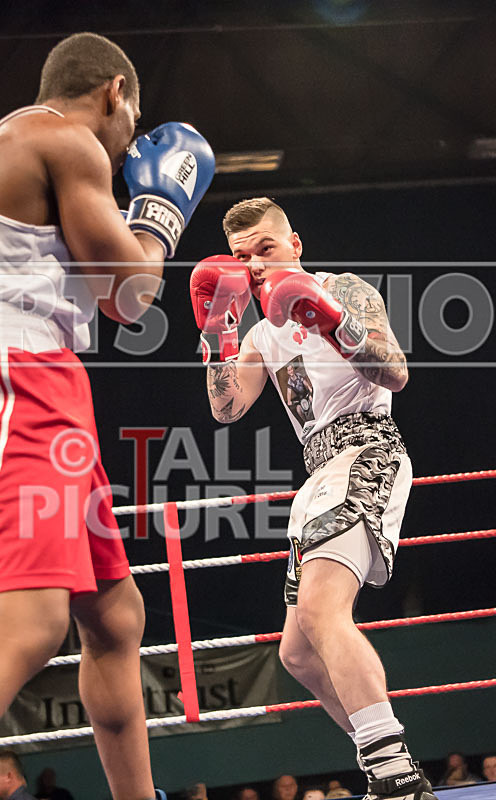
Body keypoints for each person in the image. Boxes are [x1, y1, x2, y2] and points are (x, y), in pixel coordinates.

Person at [0, 31, 214, 800]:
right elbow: (128, 296)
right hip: (13, 376)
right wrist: (161, 212)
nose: (130, 143)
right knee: (31, 623)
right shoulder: (63, 138)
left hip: (35, 375)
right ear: (113, 94)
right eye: (132, 120)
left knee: (115, 616)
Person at [190, 197, 435, 800]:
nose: (254, 268)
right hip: (318, 472)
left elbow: (396, 371)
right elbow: (226, 408)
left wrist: (330, 319)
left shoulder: (341, 287)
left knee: (325, 614)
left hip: (366, 448)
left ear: (295, 244)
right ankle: (391, 762)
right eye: (241, 259)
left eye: (265, 251)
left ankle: (393, 775)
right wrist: (216, 329)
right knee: (298, 652)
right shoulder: (256, 334)